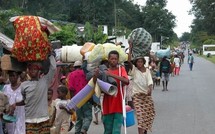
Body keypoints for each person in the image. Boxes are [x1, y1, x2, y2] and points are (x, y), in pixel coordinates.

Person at [12, 55, 56, 133]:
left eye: (35, 69)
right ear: (28, 71)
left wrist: (50, 55)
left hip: (43, 119)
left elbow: (53, 69)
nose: (32, 71)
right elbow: (26, 101)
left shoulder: (44, 81)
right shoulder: (24, 85)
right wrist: (15, 104)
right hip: (29, 120)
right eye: (30, 69)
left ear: (39, 71)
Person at [128, 44, 155, 134]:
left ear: (143, 62)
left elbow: (150, 82)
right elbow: (128, 61)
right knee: (140, 117)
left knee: (148, 115)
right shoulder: (134, 70)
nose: (139, 63)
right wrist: (130, 48)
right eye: (137, 62)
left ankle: (145, 131)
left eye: (140, 62)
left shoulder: (147, 71)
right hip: (137, 97)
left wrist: (150, 90)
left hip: (146, 96)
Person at [102, 50, 129, 134]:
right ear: (108, 59)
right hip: (107, 105)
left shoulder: (121, 70)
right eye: (111, 59)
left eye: (115, 59)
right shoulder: (104, 71)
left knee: (116, 131)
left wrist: (111, 75)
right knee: (107, 131)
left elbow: (126, 81)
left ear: (118, 60)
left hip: (118, 105)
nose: (113, 60)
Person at [67, 60, 92, 134]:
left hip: (77, 99)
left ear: (74, 67)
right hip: (86, 98)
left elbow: (71, 88)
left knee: (79, 118)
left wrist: (72, 101)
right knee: (88, 116)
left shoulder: (71, 75)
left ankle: (77, 132)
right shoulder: (86, 73)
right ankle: (84, 129)